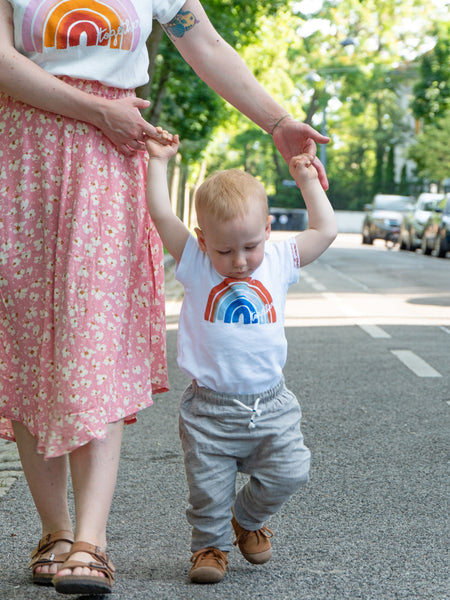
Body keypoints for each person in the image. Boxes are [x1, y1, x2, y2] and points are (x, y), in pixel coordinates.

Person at [0, 0, 329, 595]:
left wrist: (278, 122)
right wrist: (95, 110)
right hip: (25, 157)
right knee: (29, 343)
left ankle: (90, 541)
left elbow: (204, 46)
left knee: (90, 337)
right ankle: (54, 530)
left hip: (109, 158)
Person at [144, 130, 337, 583]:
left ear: (268, 230)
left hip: (271, 403)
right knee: (207, 490)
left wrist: (307, 180)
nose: (240, 261)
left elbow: (325, 230)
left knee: (292, 470)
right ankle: (209, 547)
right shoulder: (193, 260)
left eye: (250, 246)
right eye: (224, 250)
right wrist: (159, 162)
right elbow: (159, 213)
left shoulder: (280, 259)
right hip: (209, 407)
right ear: (201, 239)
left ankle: (246, 520)